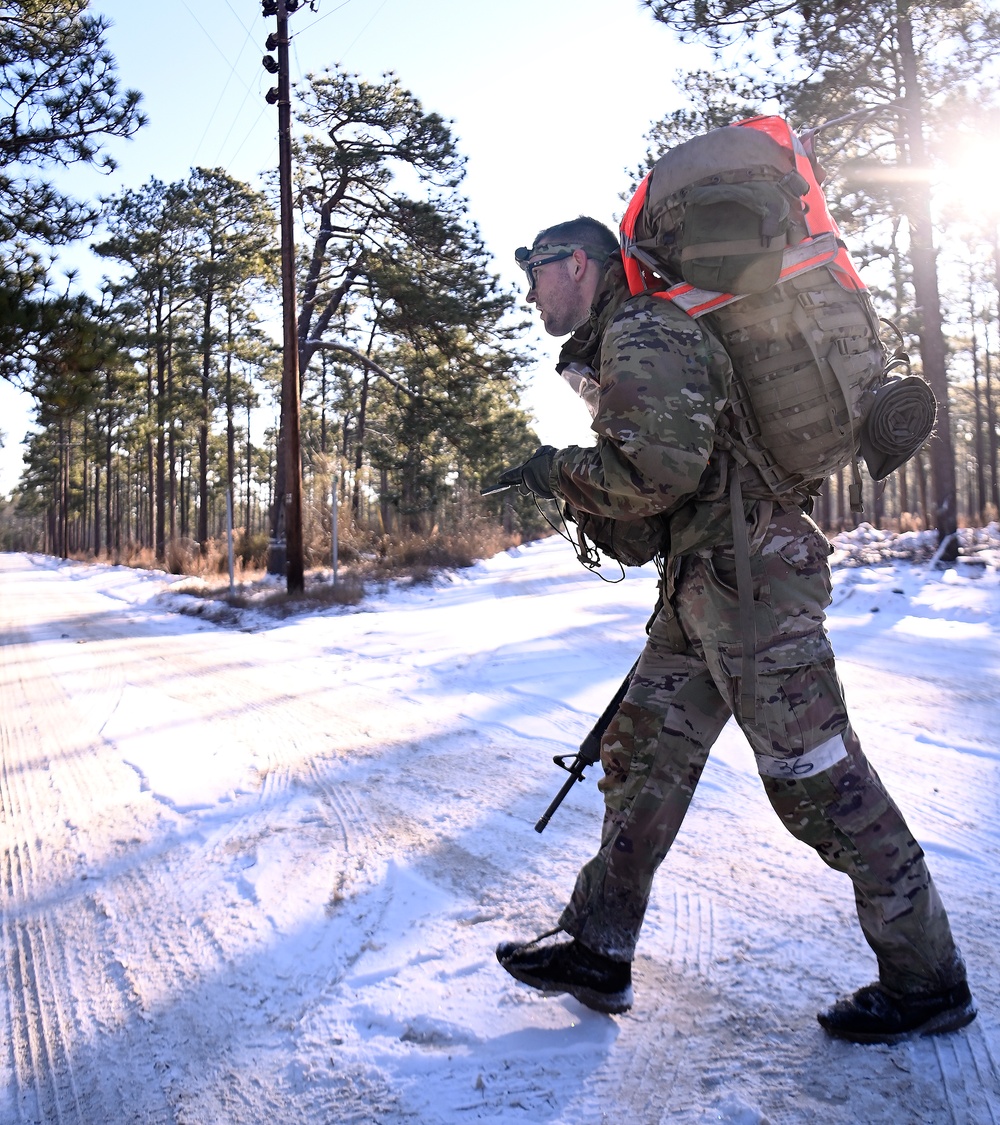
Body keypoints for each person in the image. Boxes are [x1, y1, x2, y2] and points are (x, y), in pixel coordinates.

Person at [494, 215, 976, 1045]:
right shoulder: (624, 336)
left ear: (579, 263)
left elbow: (655, 473)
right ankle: (598, 944)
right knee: (640, 755)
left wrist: (555, 470)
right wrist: (585, 492)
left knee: (819, 779)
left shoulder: (643, 328)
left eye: (536, 270)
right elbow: (665, 494)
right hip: (703, 583)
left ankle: (927, 975)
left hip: (752, 583)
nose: (528, 290)